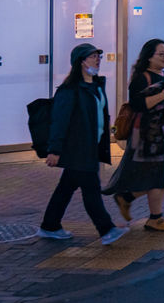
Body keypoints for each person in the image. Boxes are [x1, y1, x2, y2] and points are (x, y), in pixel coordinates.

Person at [37, 44, 127, 245]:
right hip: (78, 148)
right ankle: (107, 229)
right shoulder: (70, 90)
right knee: (91, 189)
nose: (97, 60)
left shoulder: (96, 86)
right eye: (93, 57)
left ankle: (49, 226)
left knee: (66, 187)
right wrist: (55, 150)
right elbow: (60, 122)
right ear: (81, 61)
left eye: (98, 56)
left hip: (90, 147)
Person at [104, 39, 164, 230]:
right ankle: (155, 218)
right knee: (157, 175)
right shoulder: (142, 77)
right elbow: (138, 104)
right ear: (149, 57)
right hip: (148, 137)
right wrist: (162, 96)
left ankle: (128, 198)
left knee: (160, 174)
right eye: (161, 54)